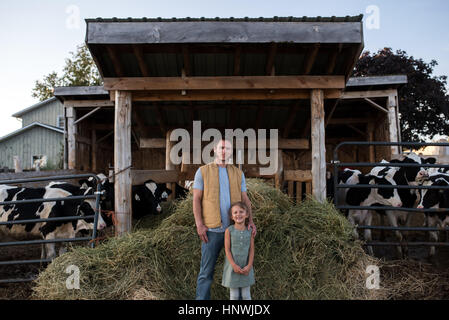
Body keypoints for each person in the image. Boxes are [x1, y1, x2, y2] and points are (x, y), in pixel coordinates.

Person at [193, 139, 256, 300]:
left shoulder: (238, 173)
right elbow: (196, 199)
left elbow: (245, 199)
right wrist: (199, 224)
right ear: (214, 149)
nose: (224, 151)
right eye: (221, 148)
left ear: (230, 152)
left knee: (239, 266)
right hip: (212, 230)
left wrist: (251, 221)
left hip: (234, 230)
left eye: (227, 148)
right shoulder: (202, 171)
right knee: (206, 272)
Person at [222, 201, 255, 300]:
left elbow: (251, 250)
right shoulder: (229, 230)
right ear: (231, 216)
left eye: (241, 212)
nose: (238, 214)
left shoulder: (250, 231)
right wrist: (234, 265)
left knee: (246, 295)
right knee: (234, 296)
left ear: (247, 214)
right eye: (235, 212)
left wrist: (249, 266)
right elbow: (227, 250)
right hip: (233, 267)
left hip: (246, 267)